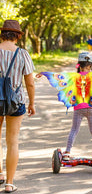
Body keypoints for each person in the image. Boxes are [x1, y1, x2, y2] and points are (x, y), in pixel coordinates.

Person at [0, 20, 35, 193]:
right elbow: (30, 83)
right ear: (18, 36)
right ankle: (9, 183)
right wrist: (32, 103)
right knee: (12, 141)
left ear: (2, 34)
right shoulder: (22, 54)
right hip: (16, 101)